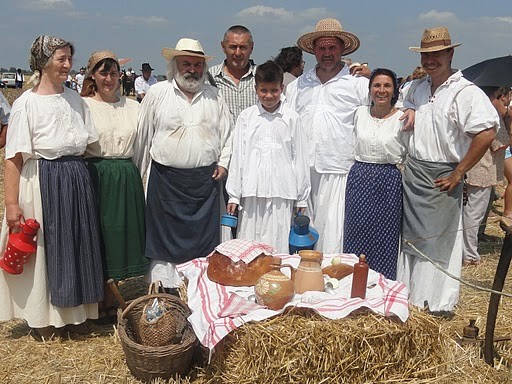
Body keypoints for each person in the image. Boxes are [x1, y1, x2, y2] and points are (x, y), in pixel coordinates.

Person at [0, 35, 104, 338]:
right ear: (44, 63)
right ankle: (43, 320)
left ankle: (75, 315)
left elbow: (88, 144)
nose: (68, 65)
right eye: (61, 59)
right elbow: (13, 159)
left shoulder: (74, 99)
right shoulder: (26, 104)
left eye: (70, 59)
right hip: (43, 181)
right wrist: (11, 205)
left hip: (75, 178)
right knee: (48, 252)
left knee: (77, 246)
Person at [397, 27, 499, 314]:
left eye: (437, 54)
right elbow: (401, 108)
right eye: (426, 54)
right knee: (413, 239)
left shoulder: (465, 92)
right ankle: (412, 297)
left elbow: (487, 132)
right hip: (414, 174)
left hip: (443, 176)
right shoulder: (416, 88)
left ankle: (436, 302)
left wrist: (459, 173)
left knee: (439, 240)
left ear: (450, 53)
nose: (431, 60)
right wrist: (412, 111)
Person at [134, 38, 231, 290]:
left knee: (203, 243)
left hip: (204, 185)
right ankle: (165, 293)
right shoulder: (157, 94)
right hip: (165, 182)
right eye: (186, 63)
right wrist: (140, 175)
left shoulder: (214, 96)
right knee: (163, 242)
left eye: (198, 65)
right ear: (174, 66)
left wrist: (224, 163)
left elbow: (228, 135)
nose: (192, 69)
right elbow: (143, 137)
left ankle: (198, 290)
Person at [285, 18, 370, 254]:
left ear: (342, 48)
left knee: (333, 229)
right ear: (313, 50)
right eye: (322, 48)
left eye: (332, 47)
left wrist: (373, 76)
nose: (327, 53)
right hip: (303, 169)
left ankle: (331, 280)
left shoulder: (358, 84)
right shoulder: (298, 85)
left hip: (338, 168)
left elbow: (388, 107)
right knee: (301, 226)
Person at [81, 50, 148, 322]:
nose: (109, 78)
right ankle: (99, 300)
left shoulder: (133, 107)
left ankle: (117, 297)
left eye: (113, 72)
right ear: (93, 76)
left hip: (126, 175)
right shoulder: (82, 105)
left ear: (120, 76)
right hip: (96, 175)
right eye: (103, 73)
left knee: (123, 236)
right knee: (100, 236)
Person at [226, 60, 310, 252]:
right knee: (248, 244)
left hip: (282, 192)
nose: (269, 96)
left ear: (282, 88)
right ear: (256, 89)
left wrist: (302, 198)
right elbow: (238, 156)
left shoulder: (292, 118)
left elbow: (300, 159)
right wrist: (233, 195)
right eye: (264, 90)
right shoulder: (247, 117)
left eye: (274, 90)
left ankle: (276, 280)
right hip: (252, 190)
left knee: (277, 244)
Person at [343, 68, 408, 280]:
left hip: (388, 178)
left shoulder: (402, 117)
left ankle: (382, 283)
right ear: (370, 89)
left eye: (387, 85)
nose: (382, 90)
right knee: (356, 231)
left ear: (395, 89)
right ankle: (355, 282)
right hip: (359, 177)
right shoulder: (359, 113)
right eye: (377, 85)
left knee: (385, 235)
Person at [463, 86, 509, 265]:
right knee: (473, 214)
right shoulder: (491, 117)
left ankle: (467, 250)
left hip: (471, 169)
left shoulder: (472, 113)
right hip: (482, 171)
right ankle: (470, 255)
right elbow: (502, 144)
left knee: (469, 213)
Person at [209, 25, 258, 126]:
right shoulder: (209, 77)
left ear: (252, 47)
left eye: (243, 47)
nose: (238, 53)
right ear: (223, 46)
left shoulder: (262, 76)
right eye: (233, 47)